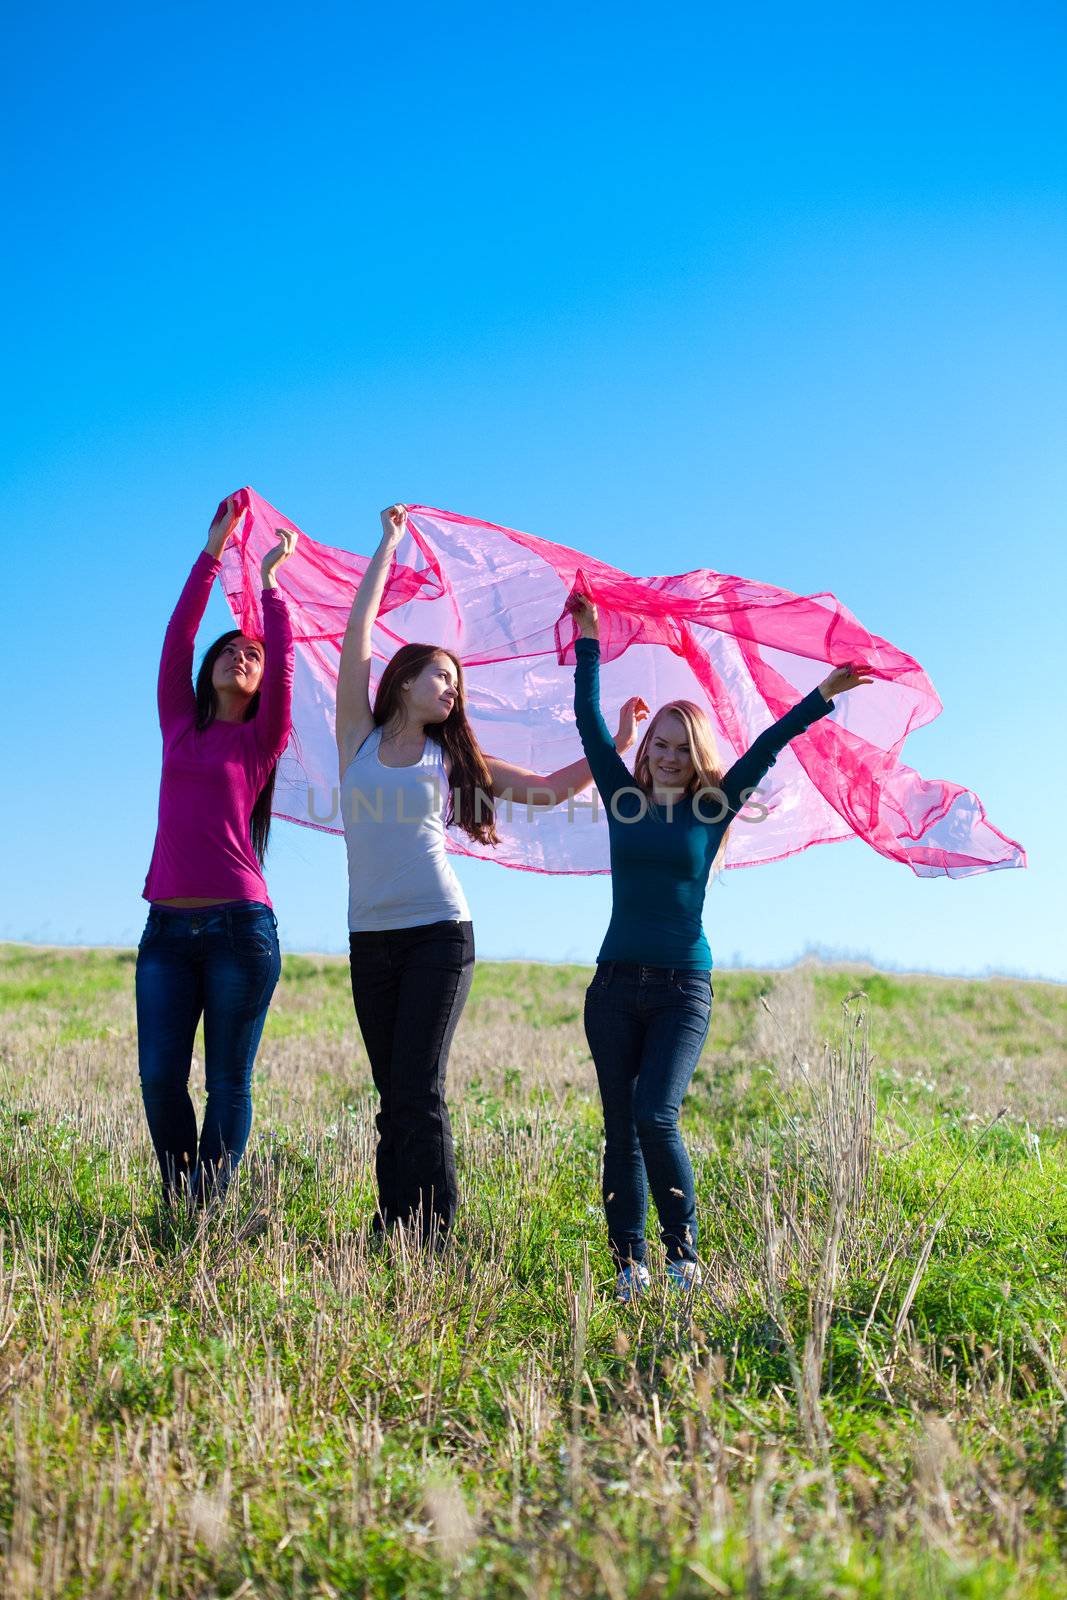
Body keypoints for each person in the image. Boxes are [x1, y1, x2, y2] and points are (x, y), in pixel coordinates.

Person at [337, 504, 646, 1249]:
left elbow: (543, 789)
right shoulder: (358, 737)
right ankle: (391, 1228)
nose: (449, 690)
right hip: (368, 938)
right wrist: (387, 544)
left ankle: (434, 1235)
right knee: (390, 1096)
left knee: (419, 1086)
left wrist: (620, 740)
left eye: (454, 684)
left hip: (438, 933)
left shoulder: (451, 760)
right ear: (404, 680)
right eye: (438, 677)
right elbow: (356, 633)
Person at [566, 590, 872, 1301]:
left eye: (681, 748)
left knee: (655, 1114)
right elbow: (586, 724)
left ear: (696, 756)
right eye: (659, 746)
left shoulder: (712, 806)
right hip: (612, 987)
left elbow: (767, 746)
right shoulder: (622, 799)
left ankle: (682, 1261)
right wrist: (587, 638)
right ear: (645, 753)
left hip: (681, 989)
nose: (669, 757)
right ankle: (627, 1268)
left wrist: (821, 694)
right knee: (619, 1129)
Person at [136, 495, 297, 1208]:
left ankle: (209, 1205)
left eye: (252, 654)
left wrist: (270, 588)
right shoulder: (178, 722)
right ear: (209, 670)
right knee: (160, 1078)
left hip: (239, 928)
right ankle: (182, 1200)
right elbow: (177, 636)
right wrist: (209, 556)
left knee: (228, 1080)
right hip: (166, 930)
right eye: (230, 649)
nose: (241, 655)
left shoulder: (261, 739)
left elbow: (285, 662)